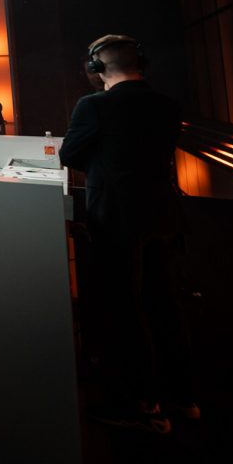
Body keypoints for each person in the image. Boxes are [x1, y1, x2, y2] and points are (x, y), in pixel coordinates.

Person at [59, 34, 193, 433]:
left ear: (97, 69)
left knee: (124, 308)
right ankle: (182, 398)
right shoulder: (167, 105)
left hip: (117, 218)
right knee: (165, 304)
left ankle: (142, 405)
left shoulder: (94, 106)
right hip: (165, 215)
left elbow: (70, 155)